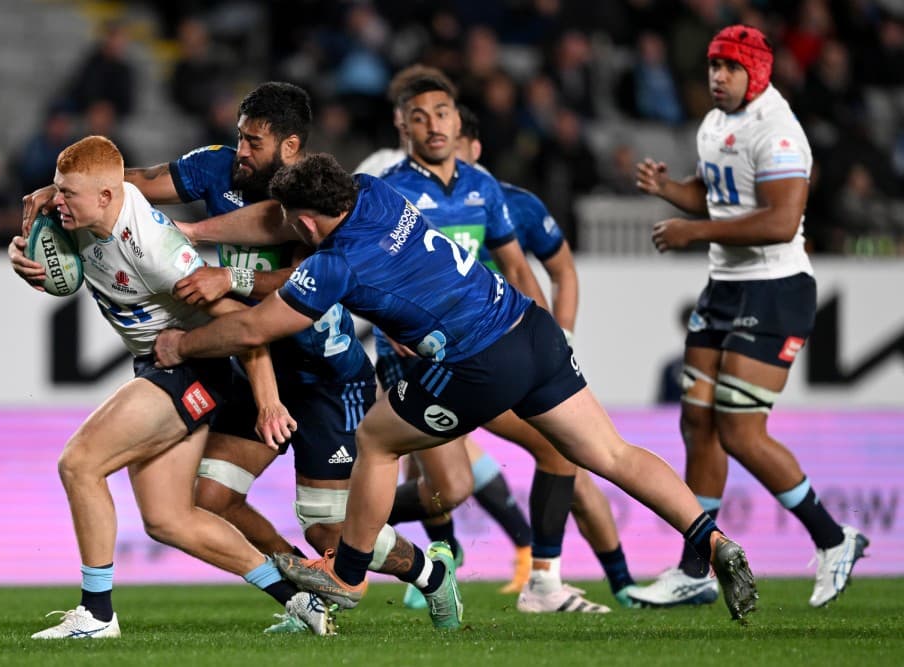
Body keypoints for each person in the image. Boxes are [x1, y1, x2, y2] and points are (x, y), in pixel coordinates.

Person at [153, 152, 760, 626]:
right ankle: (712, 539)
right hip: (531, 329)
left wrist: (181, 345)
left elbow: (260, 324)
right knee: (610, 453)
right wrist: (229, 261)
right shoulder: (374, 193)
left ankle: (348, 575)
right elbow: (298, 265)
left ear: (307, 221)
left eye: (290, 221)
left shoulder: (334, 264)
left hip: (478, 363)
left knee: (377, 439)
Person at [17, 84, 395, 612]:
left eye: (254, 141)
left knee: (328, 528)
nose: (240, 149)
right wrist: (58, 195)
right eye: (239, 136)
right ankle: (301, 596)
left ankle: (427, 570)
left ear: (289, 146)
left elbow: (300, 286)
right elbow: (138, 181)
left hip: (319, 372)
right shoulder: (215, 171)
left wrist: (227, 273)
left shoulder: (315, 200)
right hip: (247, 359)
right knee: (187, 510)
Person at [630, 25, 868, 609]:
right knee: (697, 424)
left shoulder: (779, 131)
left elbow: (781, 220)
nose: (717, 76)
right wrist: (670, 191)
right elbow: (718, 199)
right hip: (726, 287)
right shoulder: (715, 124)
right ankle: (694, 567)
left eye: (730, 67)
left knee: (739, 429)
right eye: (712, 65)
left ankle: (834, 539)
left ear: (756, 72)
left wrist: (694, 231)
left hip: (775, 288)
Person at [454, 106, 640, 608]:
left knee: (570, 464)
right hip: (456, 359)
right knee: (446, 480)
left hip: (511, 357)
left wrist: (562, 339)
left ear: (473, 149)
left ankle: (619, 584)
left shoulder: (517, 206)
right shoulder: (420, 206)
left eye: (455, 146)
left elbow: (564, 272)